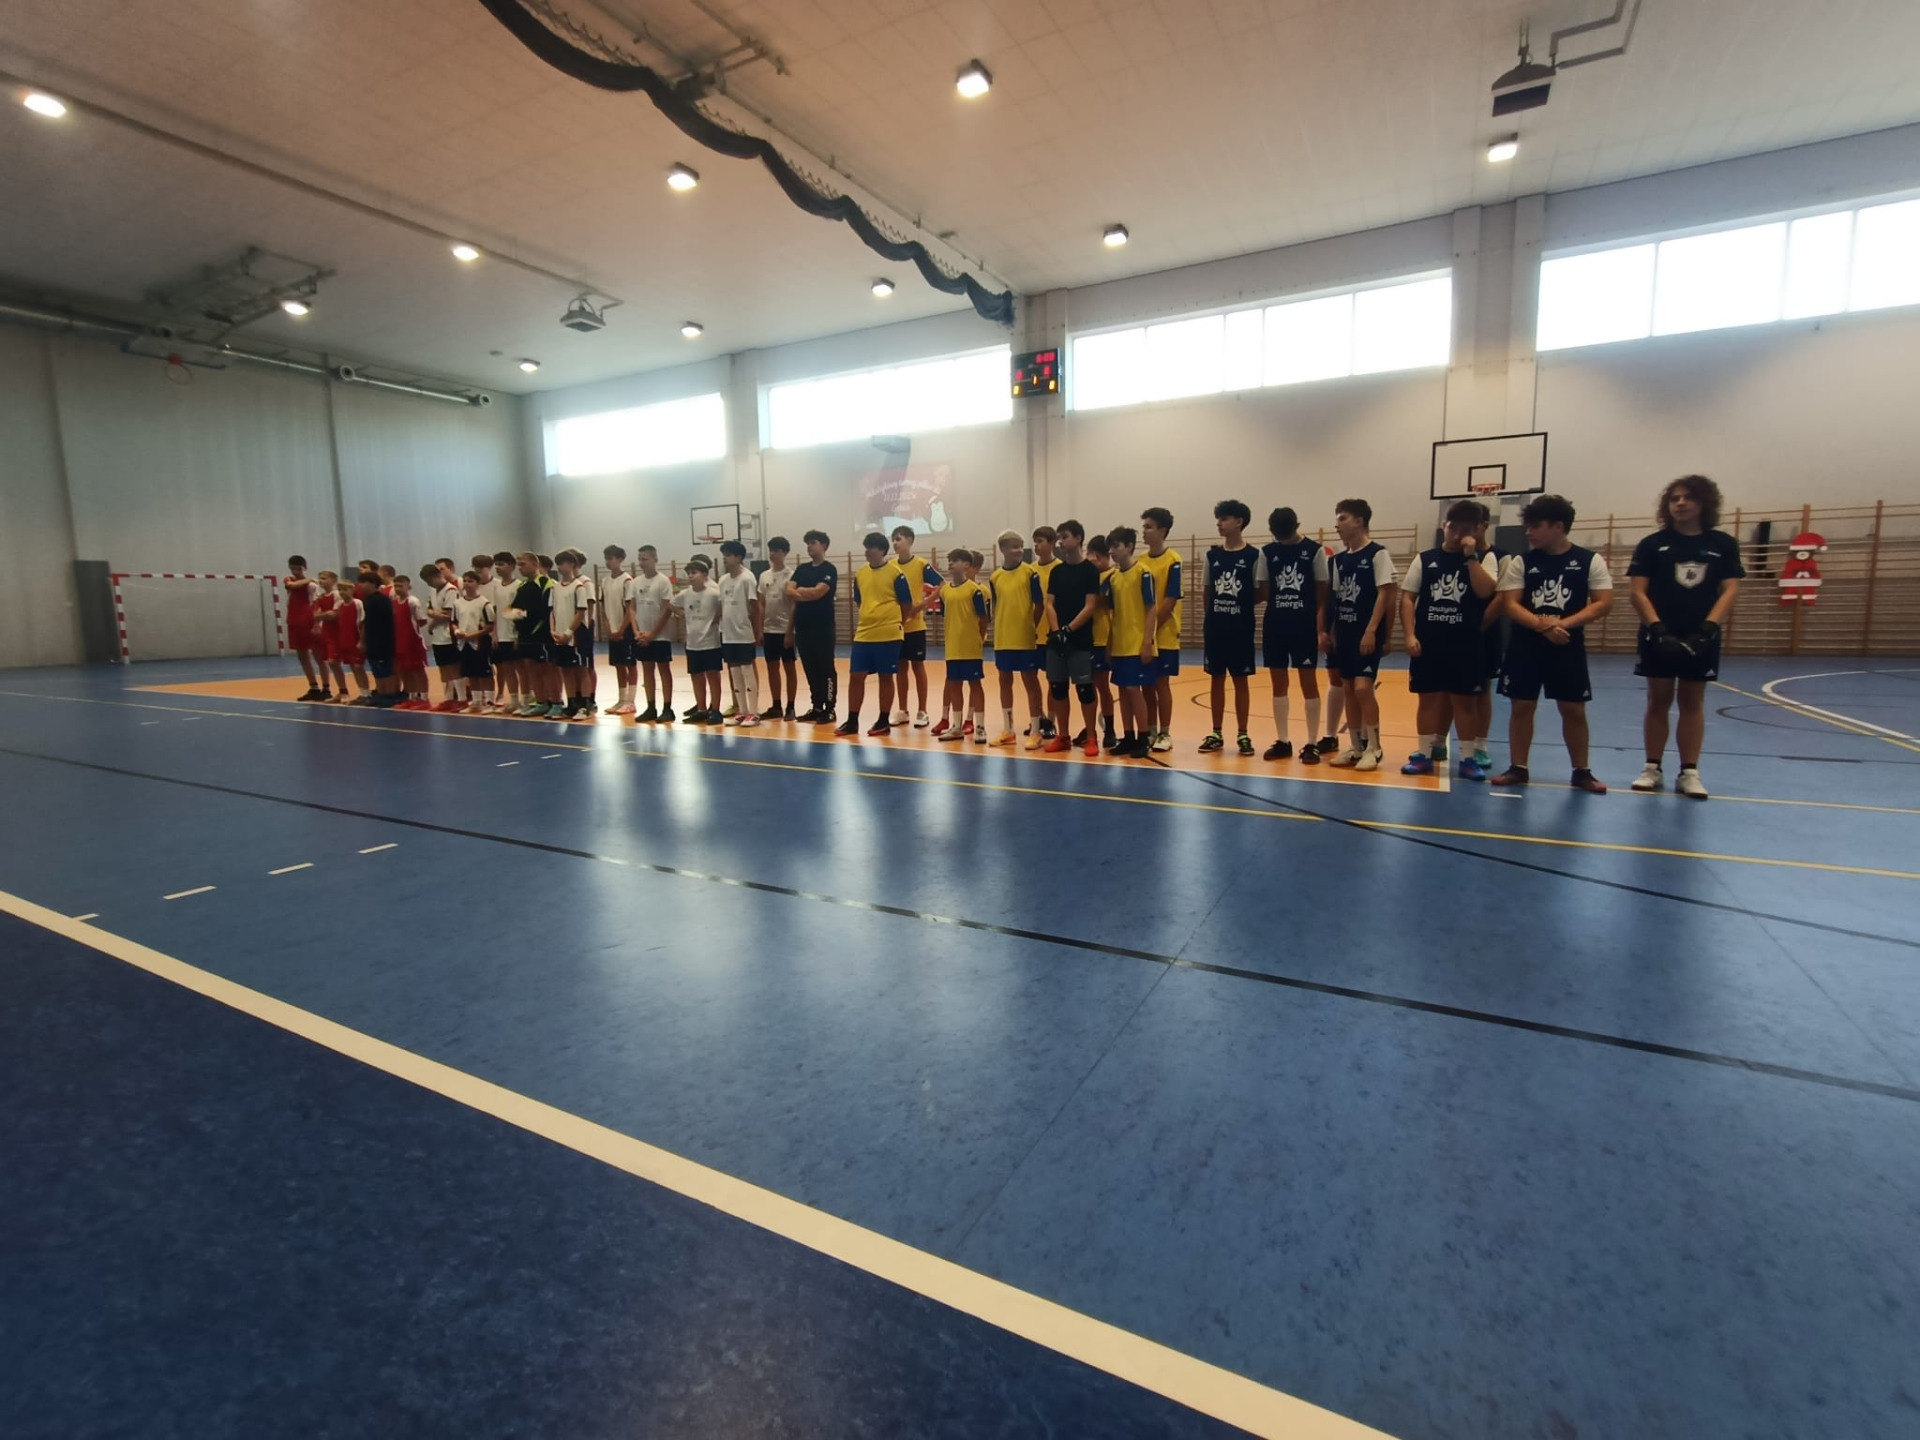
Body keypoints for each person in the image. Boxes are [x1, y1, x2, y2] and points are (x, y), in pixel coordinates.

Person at [1628, 474, 1745, 799]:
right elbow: (1637, 592)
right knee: (1658, 699)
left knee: (1692, 701)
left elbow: (1730, 589)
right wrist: (1657, 629)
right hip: (1660, 633)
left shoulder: (1722, 545)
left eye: (1688, 498)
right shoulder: (1652, 545)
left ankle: (1689, 771)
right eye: (1674, 498)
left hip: (1700, 634)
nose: (1680, 503)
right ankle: (1652, 767)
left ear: (1704, 503)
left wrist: (1708, 629)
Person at [1493, 494, 1613, 792]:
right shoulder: (1522, 561)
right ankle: (1518, 767)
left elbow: (1603, 603)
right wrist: (1541, 625)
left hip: (1567, 644)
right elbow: (1510, 603)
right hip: (1525, 645)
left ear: (1558, 527)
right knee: (1522, 705)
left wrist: (1562, 624)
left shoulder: (1589, 561)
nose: (1529, 532)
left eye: (1536, 526)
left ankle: (1581, 771)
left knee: (1573, 709)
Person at [1399, 501, 1497, 777]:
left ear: (1476, 531)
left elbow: (1485, 591)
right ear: (1444, 526)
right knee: (1428, 700)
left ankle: (1468, 758)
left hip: (1466, 644)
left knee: (1465, 703)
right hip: (1430, 642)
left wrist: (1470, 556)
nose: (1456, 535)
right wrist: (1410, 634)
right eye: (1452, 528)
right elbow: (1407, 598)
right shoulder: (1425, 559)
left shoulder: (1485, 559)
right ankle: (1424, 754)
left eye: (1464, 530)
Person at [1326, 499, 1396, 771]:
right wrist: (1332, 632)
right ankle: (1355, 746)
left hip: (1366, 633)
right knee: (1348, 689)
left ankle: (1374, 747)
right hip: (1344, 632)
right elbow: (1337, 600)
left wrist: (1373, 631)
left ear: (1359, 521)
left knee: (1363, 688)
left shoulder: (1377, 554)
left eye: (1342, 518)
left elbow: (1386, 594)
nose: (1337, 525)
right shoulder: (1338, 560)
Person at [1259, 508, 1328, 764]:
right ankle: (1283, 740)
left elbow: (1322, 593)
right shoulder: (1267, 552)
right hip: (1276, 624)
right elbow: (1265, 590)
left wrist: (1320, 628)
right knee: (1278, 683)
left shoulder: (1314, 551)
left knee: (1308, 681)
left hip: (1304, 625)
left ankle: (1312, 743)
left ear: (1297, 526)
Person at [1200, 500, 1267, 756]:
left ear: (1239, 522)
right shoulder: (1212, 556)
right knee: (1216, 679)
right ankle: (1216, 732)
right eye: (1218, 519)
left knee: (1241, 681)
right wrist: (1211, 618)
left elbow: (1261, 592)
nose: (1219, 523)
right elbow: (1207, 591)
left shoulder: (1253, 556)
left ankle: (1243, 734)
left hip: (1241, 629)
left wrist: (1240, 603)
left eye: (1224, 518)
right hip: (1216, 629)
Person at [836, 532, 913, 738]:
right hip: (864, 633)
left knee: (885, 677)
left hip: (888, 633)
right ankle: (852, 720)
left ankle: (883, 720)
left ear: (882, 550)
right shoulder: (860, 574)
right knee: (856, 676)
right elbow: (859, 601)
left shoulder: (896, 573)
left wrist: (896, 622)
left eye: (871, 547)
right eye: (866, 547)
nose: (867, 551)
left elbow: (907, 604)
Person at [1040, 520, 1103, 757]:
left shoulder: (1089, 571)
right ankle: (1063, 736)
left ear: (1078, 538)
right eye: (1059, 537)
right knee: (1058, 688)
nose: (1060, 542)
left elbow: (1090, 606)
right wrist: (1057, 631)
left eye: (1065, 536)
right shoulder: (1057, 571)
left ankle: (1091, 737)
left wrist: (1068, 630)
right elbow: (1049, 603)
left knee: (1085, 690)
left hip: (1080, 640)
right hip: (1057, 640)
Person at [988, 529, 1046, 746]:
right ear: (1003, 549)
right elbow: (996, 606)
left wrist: (1030, 626)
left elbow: (1039, 605)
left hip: (1024, 638)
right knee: (1005, 681)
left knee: (1030, 681)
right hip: (1003, 638)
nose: (1019, 550)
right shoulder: (995, 577)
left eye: (1021, 546)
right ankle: (1008, 729)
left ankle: (1036, 730)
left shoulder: (1030, 573)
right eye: (1014, 547)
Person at [1101, 526, 1155, 758]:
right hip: (1120, 643)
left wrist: (1147, 641)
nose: (1112, 551)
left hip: (1136, 642)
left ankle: (1143, 736)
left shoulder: (1143, 573)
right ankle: (1129, 736)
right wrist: (1110, 644)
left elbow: (1151, 608)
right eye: (1110, 547)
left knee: (1134, 689)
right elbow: (1112, 614)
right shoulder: (1113, 578)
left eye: (1116, 546)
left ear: (1130, 546)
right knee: (1123, 689)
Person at [1136, 508, 1183, 753]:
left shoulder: (1173, 560)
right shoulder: (1140, 562)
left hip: (1164, 634)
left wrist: (1152, 629)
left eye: (1149, 527)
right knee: (1146, 685)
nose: (1144, 531)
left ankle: (1165, 732)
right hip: (1144, 635)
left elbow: (1170, 599)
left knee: (1162, 685)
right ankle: (1151, 729)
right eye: (1143, 526)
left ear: (1163, 531)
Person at [889, 525, 943, 727]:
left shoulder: (921, 564)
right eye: (893, 539)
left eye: (899, 539)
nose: (895, 543)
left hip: (916, 626)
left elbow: (942, 585)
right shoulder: (890, 566)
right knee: (900, 668)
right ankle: (903, 710)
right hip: (897, 625)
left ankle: (923, 710)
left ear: (910, 541)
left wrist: (922, 605)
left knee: (918, 667)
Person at [934, 549, 989, 744]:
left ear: (966, 565)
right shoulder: (945, 591)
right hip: (952, 648)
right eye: (949, 560)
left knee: (975, 685)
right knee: (954, 686)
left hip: (970, 647)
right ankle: (956, 726)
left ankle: (980, 726)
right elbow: (947, 616)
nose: (950, 563)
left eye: (955, 560)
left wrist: (978, 638)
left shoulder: (975, 590)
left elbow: (983, 619)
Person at [788, 530, 839, 724]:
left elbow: (819, 592)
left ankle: (830, 708)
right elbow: (788, 591)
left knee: (826, 668)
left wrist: (800, 591)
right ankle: (817, 706)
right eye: (808, 543)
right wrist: (804, 593)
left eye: (813, 542)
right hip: (803, 627)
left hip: (823, 628)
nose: (810, 546)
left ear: (824, 545)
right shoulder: (802, 569)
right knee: (810, 668)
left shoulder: (829, 569)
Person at [716, 540, 764, 727]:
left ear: (738, 557)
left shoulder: (747, 578)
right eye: (724, 555)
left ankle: (753, 712)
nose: (725, 559)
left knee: (747, 670)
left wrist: (757, 631)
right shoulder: (723, 580)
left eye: (728, 555)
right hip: (728, 633)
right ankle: (742, 711)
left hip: (744, 632)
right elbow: (722, 606)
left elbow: (755, 607)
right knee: (734, 670)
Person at [671, 560, 724, 723]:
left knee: (713, 676)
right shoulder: (685, 594)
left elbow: (723, 607)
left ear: (705, 575)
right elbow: (671, 605)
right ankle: (701, 709)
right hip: (693, 643)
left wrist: (716, 618)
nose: (691, 576)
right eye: (689, 573)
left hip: (710, 642)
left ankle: (715, 710)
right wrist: (683, 614)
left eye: (694, 573)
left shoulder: (714, 593)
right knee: (696, 676)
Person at [630, 545, 676, 723]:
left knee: (664, 670)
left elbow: (666, 609)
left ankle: (667, 708)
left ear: (655, 559)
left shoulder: (663, 581)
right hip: (642, 634)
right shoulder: (635, 582)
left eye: (645, 559)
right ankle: (651, 707)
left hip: (660, 635)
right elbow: (632, 608)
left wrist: (653, 633)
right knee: (647, 669)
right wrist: (636, 631)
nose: (642, 563)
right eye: (640, 559)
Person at [547, 549, 594, 719]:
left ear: (572, 564)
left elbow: (581, 613)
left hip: (576, 635)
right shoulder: (555, 588)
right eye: (558, 564)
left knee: (582, 669)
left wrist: (568, 632)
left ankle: (585, 705)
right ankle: (572, 703)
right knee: (566, 669)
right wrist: (553, 630)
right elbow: (552, 611)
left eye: (563, 563)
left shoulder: (579, 587)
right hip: (559, 635)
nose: (560, 567)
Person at [509, 550, 555, 717]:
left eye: (523, 564)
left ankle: (555, 701)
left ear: (535, 565)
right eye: (518, 565)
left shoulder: (546, 583)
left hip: (541, 635)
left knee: (546, 670)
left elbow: (546, 610)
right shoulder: (522, 585)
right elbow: (514, 609)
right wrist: (517, 623)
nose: (520, 568)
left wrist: (528, 617)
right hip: (524, 635)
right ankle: (540, 702)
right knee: (530, 669)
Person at [1084, 533, 1119, 751]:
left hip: (1103, 637)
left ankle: (1110, 729)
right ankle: (1088, 729)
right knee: (1085, 686)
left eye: (1094, 556)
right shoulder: (1090, 576)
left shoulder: (1113, 576)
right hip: (1086, 637)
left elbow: (1100, 600)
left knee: (1102, 685)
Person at [758, 536, 799, 720]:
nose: (772, 554)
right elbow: (761, 603)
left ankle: (791, 706)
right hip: (769, 630)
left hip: (785, 629)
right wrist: (760, 628)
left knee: (789, 668)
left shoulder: (791, 575)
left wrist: (790, 631)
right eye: (771, 550)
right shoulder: (764, 576)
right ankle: (776, 705)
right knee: (772, 668)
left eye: (776, 550)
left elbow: (795, 604)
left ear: (785, 552)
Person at [419, 563, 463, 711]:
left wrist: (432, 620)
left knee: (454, 667)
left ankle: (461, 698)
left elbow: (448, 615)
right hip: (438, 637)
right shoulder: (433, 591)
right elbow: (429, 610)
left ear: (438, 575)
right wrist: (435, 614)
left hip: (449, 634)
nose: (429, 584)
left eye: (430, 580)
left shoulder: (451, 590)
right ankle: (448, 698)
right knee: (443, 667)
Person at [601, 545, 638, 715]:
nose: (608, 562)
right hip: (612, 629)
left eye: (611, 558)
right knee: (618, 665)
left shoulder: (627, 580)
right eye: (606, 558)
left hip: (626, 629)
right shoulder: (604, 581)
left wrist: (622, 630)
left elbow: (630, 608)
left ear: (620, 559)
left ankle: (630, 701)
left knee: (630, 664)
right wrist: (608, 628)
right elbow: (603, 607)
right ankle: (621, 699)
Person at [452, 570, 496, 712]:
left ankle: (490, 702)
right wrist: (457, 631)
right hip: (464, 643)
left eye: (471, 581)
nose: (467, 584)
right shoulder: (457, 603)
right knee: (471, 673)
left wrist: (475, 635)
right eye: (465, 581)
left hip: (481, 643)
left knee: (485, 673)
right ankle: (476, 702)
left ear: (478, 584)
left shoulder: (484, 603)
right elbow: (454, 622)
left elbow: (490, 625)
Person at [284, 556, 327, 700]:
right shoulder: (290, 580)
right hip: (294, 621)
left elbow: (317, 604)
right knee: (302, 655)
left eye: (299, 568)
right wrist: (308, 579)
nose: (295, 571)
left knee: (319, 655)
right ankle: (313, 687)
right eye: (293, 568)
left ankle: (326, 687)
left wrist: (316, 624)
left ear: (305, 568)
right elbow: (292, 586)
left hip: (308, 620)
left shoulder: (312, 586)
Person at [356, 570, 401, 707]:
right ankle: (381, 693)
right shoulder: (367, 600)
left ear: (373, 584)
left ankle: (389, 694)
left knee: (385, 668)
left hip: (383, 639)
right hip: (372, 639)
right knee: (376, 667)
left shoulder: (381, 600)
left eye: (364, 582)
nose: (361, 585)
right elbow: (366, 622)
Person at [391, 572, 432, 709]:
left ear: (408, 586)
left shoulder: (412, 601)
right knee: (405, 670)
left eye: (401, 586)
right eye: (396, 586)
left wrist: (411, 630)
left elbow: (422, 620)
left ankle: (424, 698)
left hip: (413, 641)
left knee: (418, 670)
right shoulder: (394, 602)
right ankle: (412, 697)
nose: (398, 588)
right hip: (399, 642)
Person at [331, 576, 370, 703]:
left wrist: (361, 641)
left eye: (345, 589)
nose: (342, 592)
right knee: (353, 667)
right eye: (340, 590)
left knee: (359, 667)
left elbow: (362, 622)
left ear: (352, 590)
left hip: (355, 639)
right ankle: (362, 692)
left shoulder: (358, 603)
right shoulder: (339, 605)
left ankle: (367, 693)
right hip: (345, 640)